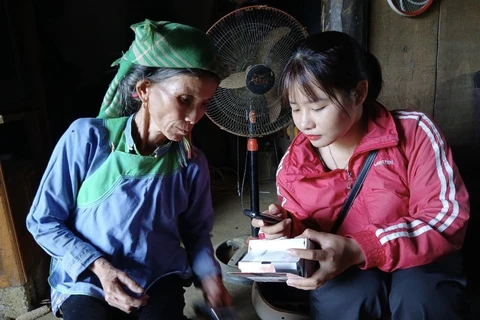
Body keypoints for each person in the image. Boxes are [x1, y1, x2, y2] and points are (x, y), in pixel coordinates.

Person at [252, 31, 470, 319]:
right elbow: (305, 226)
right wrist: (286, 229)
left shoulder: (415, 132)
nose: (304, 122)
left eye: (318, 107)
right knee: (346, 300)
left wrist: (361, 247)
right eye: (295, 109)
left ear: (359, 93)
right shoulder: (294, 163)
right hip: (343, 263)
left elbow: (446, 218)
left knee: (420, 298)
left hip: (420, 258)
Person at [26, 19, 232, 320]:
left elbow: (197, 233)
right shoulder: (87, 139)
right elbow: (43, 220)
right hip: (88, 278)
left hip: (157, 276)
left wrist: (210, 277)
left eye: (204, 104)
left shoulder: (191, 162)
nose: (193, 117)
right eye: (184, 100)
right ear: (144, 89)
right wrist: (99, 266)